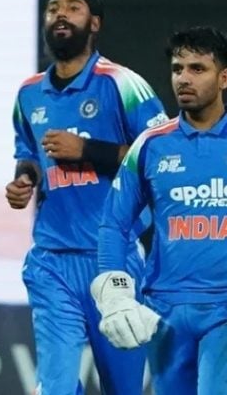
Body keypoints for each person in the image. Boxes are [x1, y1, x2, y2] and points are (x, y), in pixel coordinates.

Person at [6, 0, 167, 395]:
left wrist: (87, 150)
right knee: (55, 387)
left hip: (113, 259)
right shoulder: (28, 93)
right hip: (52, 260)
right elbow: (29, 154)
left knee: (123, 387)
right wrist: (25, 180)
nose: (60, 13)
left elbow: (162, 159)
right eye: (53, 7)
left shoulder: (122, 84)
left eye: (73, 7)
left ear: (94, 23)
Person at [93, 26, 227, 394]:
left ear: (224, 78)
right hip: (164, 312)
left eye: (197, 69)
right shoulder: (150, 145)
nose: (183, 78)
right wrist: (115, 293)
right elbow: (113, 223)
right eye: (177, 68)